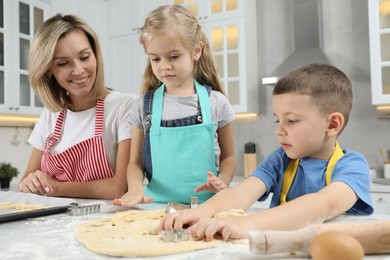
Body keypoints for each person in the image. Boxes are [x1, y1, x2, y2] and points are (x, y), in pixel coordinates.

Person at [159, 63, 374, 241]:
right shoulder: (281, 160)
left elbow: (323, 204)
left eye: (291, 121)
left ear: (333, 124)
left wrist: (245, 224)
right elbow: (242, 193)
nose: (279, 131)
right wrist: (197, 213)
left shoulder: (352, 166)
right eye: (277, 120)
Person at [112, 5, 236, 206]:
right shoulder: (143, 106)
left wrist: (222, 181)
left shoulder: (216, 103)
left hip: (208, 208)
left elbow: (229, 158)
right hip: (157, 208)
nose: (164, 66)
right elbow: (135, 163)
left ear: (196, 51)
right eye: (155, 58)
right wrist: (135, 189)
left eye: (174, 56)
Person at [18, 14, 138, 199]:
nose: (78, 70)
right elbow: (27, 180)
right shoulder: (51, 115)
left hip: (104, 221)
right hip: (53, 222)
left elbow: (118, 188)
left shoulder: (125, 107)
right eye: (63, 63)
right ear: (48, 69)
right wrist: (30, 182)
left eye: (84, 57)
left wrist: (55, 188)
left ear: (95, 55)